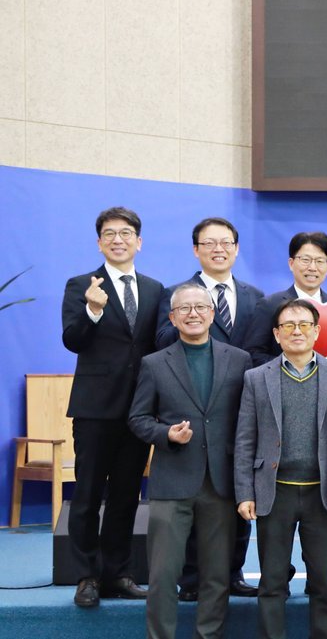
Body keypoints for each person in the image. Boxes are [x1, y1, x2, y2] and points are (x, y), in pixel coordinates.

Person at [128, 284, 251, 638]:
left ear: (213, 314)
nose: (193, 313)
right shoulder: (154, 363)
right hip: (172, 481)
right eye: (184, 308)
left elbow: (247, 419)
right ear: (172, 317)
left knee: (217, 575)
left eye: (200, 307)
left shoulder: (239, 359)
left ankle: (208, 635)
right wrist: (165, 434)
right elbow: (138, 419)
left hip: (221, 482)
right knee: (163, 575)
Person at [154, 216, 263, 601]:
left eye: (226, 242)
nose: (219, 249)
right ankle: (192, 578)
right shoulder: (176, 295)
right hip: (193, 408)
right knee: (194, 495)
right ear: (196, 249)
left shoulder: (255, 296)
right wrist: (193, 314)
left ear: (236, 248)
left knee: (238, 493)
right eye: (209, 243)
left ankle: (233, 572)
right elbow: (161, 340)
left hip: (241, 410)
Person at [61, 206, 164, 607]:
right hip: (95, 408)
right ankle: (86, 576)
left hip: (139, 410)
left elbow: (155, 345)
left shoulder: (155, 289)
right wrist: (93, 310)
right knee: (87, 495)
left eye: (125, 233)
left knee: (126, 496)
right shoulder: (80, 285)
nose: (117, 240)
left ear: (139, 241)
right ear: (99, 242)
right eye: (109, 233)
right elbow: (72, 340)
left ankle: (117, 574)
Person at [234, 299, 327, 639]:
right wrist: (244, 492)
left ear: (317, 331)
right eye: (288, 325)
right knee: (272, 582)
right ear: (276, 334)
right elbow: (245, 439)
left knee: (324, 582)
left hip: (322, 494)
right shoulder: (256, 378)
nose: (296, 331)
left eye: (304, 325)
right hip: (274, 492)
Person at [245, 231, 327, 368]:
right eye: (305, 260)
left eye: (319, 261)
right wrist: (292, 369)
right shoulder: (269, 305)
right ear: (291, 263)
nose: (312, 268)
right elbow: (253, 354)